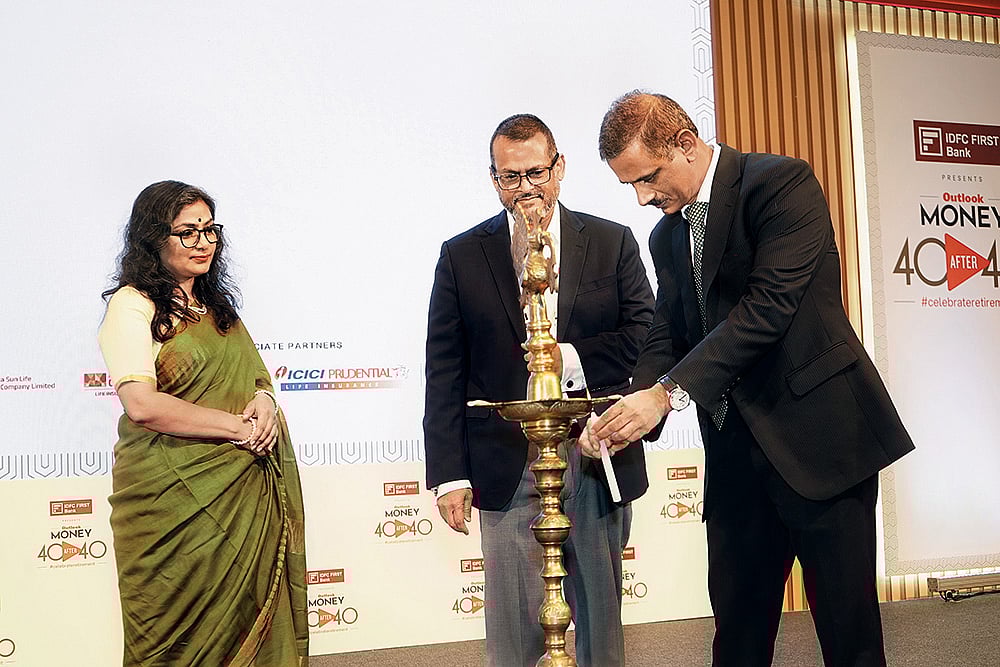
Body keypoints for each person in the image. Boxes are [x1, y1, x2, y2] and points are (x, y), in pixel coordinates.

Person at [585, 91, 915, 667]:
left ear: (686, 145)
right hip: (736, 458)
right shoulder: (666, 236)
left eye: (649, 178)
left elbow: (767, 309)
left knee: (849, 635)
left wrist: (666, 395)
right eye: (629, 186)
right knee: (737, 638)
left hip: (820, 443)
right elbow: (668, 328)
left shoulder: (781, 184)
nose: (642, 198)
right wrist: (625, 409)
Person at [423, 114, 654, 667]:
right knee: (514, 634)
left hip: (596, 451)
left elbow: (646, 336)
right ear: (493, 178)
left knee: (601, 624)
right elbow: (444, 372)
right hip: (505, 463)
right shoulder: (461, 256)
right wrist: (449, 474)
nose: (525, 188)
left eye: (536, 173)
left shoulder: (610, 241)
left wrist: (568, 360)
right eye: (510, 177)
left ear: (560, 168)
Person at [98, 181, 309, 666]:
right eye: (187, 232)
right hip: (168, 501)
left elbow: (256, 376)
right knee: (171, 641)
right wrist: (239, 429)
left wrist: (263, 401)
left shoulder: (217, 310)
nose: (203, 243)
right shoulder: (133, 305)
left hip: (241, 492)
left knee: (249, 612)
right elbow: (143, 405)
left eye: (209, 230)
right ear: (154, 238)